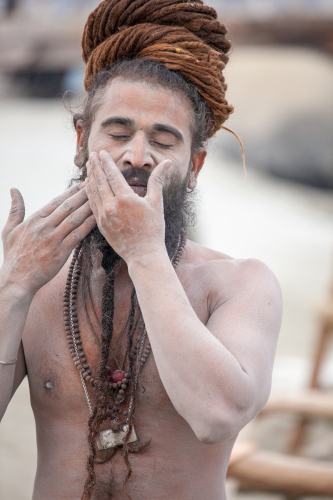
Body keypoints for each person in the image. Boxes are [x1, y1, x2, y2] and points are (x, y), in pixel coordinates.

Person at [0, 1, 282, 499]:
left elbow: (217, 416)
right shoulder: (35, 280)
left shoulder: (241, 284)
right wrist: (14, 287)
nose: (136, 155)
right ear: (83, 140)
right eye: (118, 131)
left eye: (163, 139)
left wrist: (145, 254)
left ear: (194, 166)